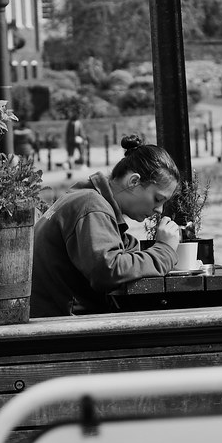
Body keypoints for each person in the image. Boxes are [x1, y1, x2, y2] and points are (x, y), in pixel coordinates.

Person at [31, 134, 183, 318]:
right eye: (157, 199)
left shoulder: (88, 198)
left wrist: (163, 250)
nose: (159, 210)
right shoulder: (91, 206)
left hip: (53, 319)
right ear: (133, 181)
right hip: (60, 327)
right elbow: (108, 270)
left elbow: (122, 253)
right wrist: (165, 250)